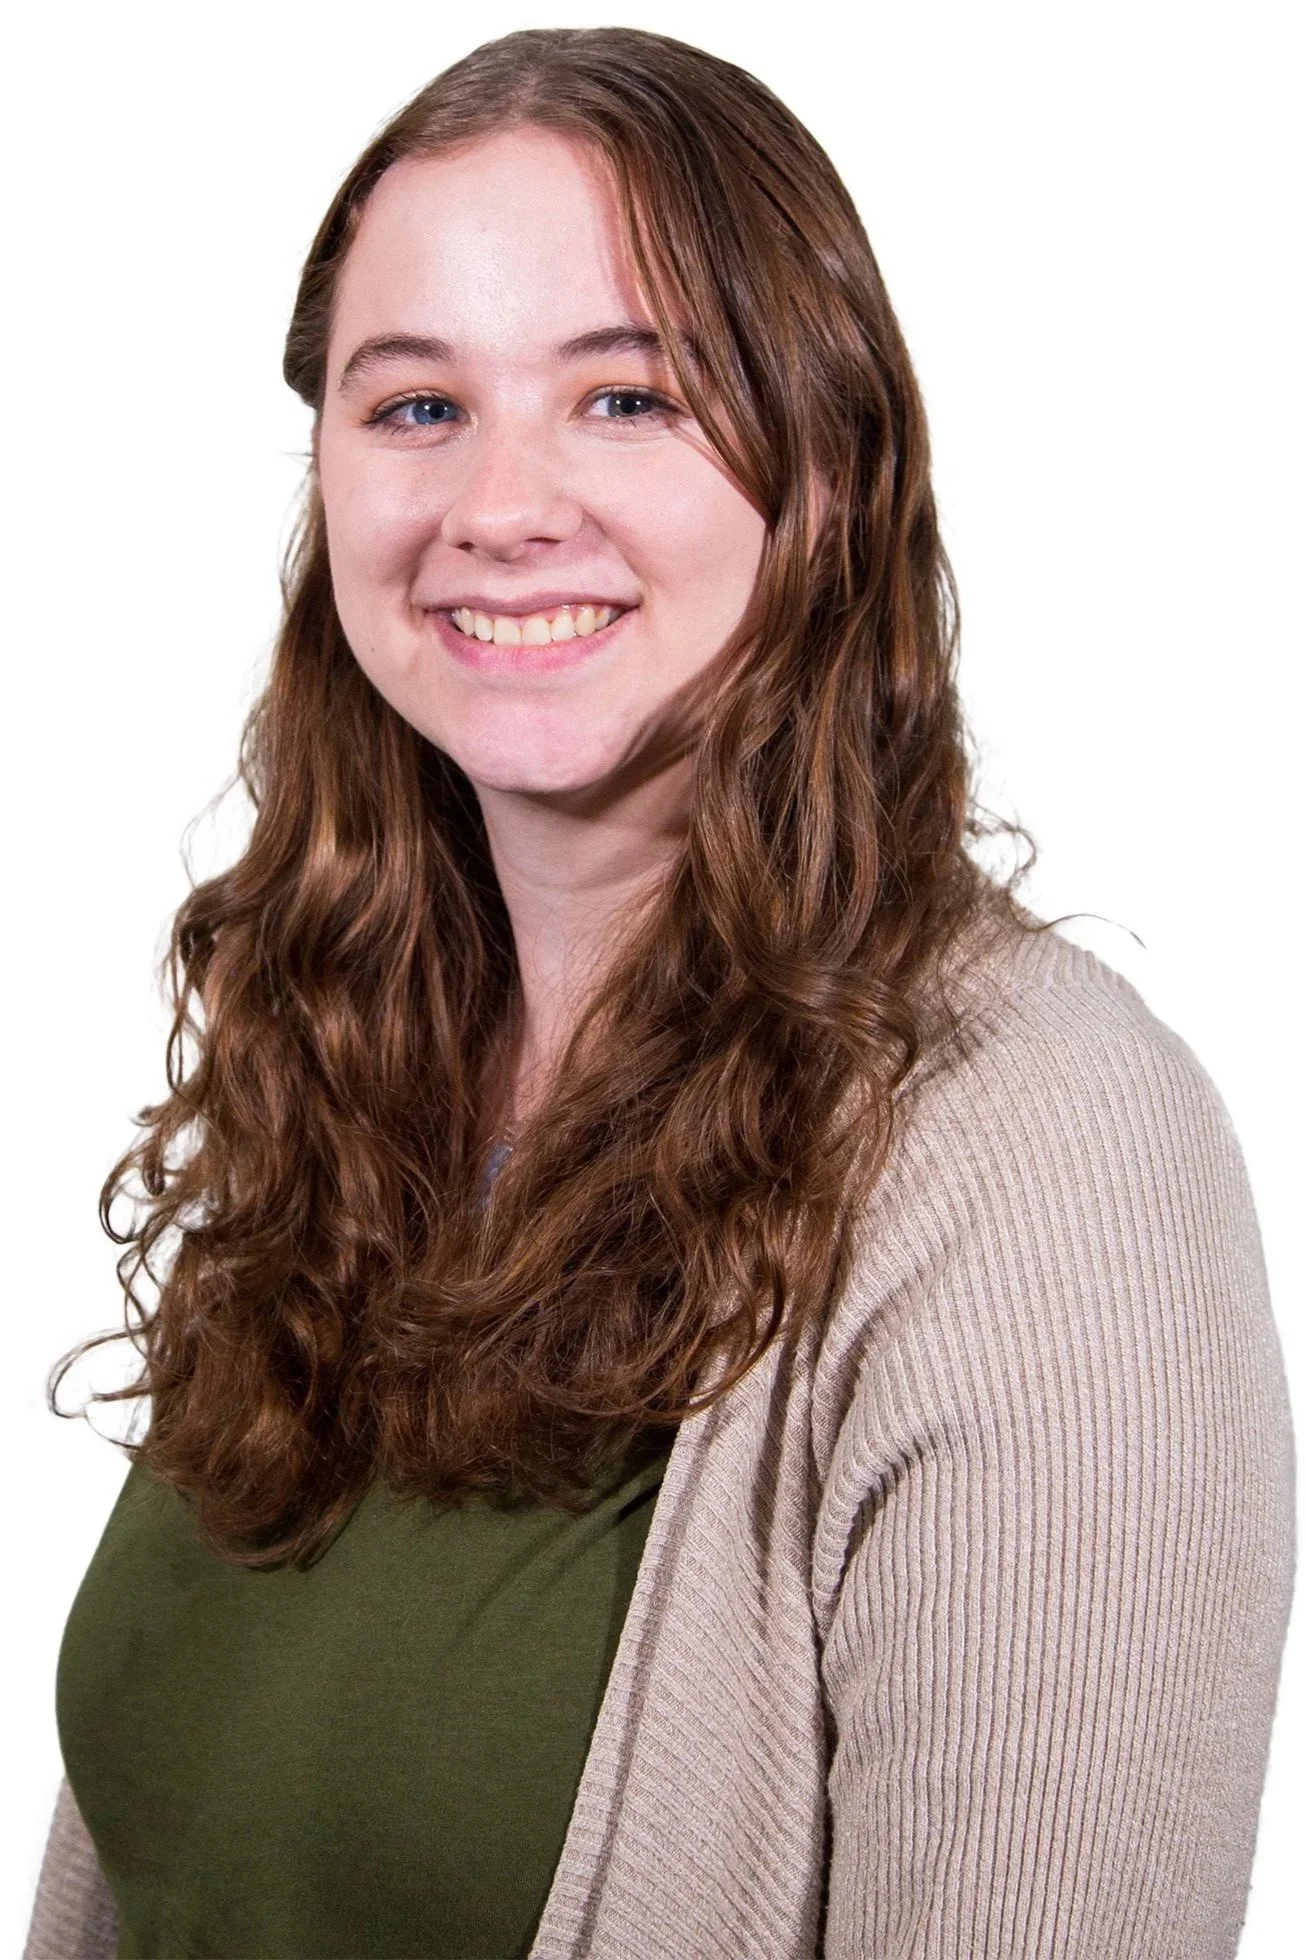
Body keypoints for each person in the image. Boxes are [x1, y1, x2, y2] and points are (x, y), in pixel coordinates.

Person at [24, 26, 1295, 1960]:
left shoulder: (1041, 1157)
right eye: (415, 406)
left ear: (826, 456)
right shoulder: (348, 1073)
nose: (502, 504)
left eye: (625, 397)